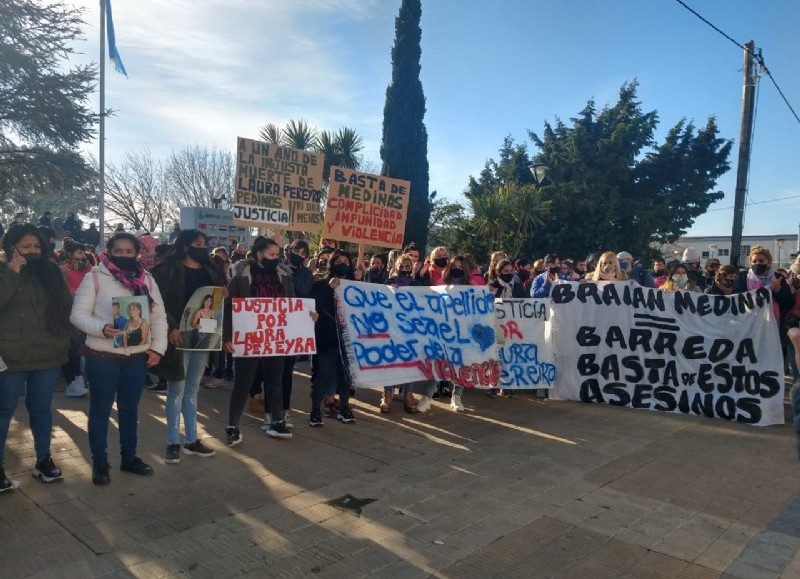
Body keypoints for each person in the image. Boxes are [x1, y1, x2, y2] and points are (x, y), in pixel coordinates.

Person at [70, 232, 168, 486]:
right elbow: (77, 315)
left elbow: (158, 317)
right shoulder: (94, 278)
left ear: (137, 253)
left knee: (129, 409)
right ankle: (100, 463)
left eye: (129, 251)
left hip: (136, 357)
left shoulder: (147, 279)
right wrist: (101, 328)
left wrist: (157, 348)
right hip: (102, 356)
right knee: (101, 410)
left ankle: (129, 458)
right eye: (118, 251)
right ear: (109, 251)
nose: (124, 255)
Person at [0, 224, 73, 492]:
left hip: (48, 354)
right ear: (11, 247)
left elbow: (66, 306)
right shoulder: (4, 271)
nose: (32, 252)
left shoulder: (51, 271)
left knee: (41, 408)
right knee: (4, 410)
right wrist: (11, 273)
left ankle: (43, 460)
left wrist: (68, 339)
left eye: (37, 247)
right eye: (25, 246)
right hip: (9, 357)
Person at [223, 237, 316, 445]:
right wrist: (227, 336)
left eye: (277, 255)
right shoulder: (241, 276)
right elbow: (230, 307)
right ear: (259, 254)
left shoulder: (283, 276)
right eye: (272, 255)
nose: (277, 258)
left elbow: (292, 305)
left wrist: (308, 315)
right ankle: (232, 426)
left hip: (276, 337)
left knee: (275, 379)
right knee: (243, 382)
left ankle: (276, 421)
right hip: (248, 336)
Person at [151, 230, 225, 464]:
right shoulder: (166, 271)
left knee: (192, 389)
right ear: (184, 247)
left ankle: (192, 439)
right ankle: (173, 441)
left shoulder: (211, 270)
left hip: (204, 337)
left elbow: (217, 303)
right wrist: (171, 327)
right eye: (198, 244)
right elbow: (156, 302)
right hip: (177, 337)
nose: (203, 248)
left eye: (205, 244)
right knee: (176, 390)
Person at [307, 249, 357, 427]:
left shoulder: (355, 285)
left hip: (348, 339)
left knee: (345, 376)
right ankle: (315, 410)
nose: (343, 264)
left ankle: (344, 406)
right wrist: (329, 288)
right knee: (324, 374)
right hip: (327, 338)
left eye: (346, 261)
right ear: (332, 264)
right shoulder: (321, 285)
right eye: (338, 261)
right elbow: (313, 304)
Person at [60, 240, 91, 397]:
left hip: (87, 311)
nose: (83, 255)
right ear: (70, 254)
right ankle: (74, 380)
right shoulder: (62, 270)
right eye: (79, 252)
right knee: (74, 346)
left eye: (83, 252)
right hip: (69, 312)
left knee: (83, 346)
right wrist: (63, 275)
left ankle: (79, 379)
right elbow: (64, 292)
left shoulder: (89, 268)